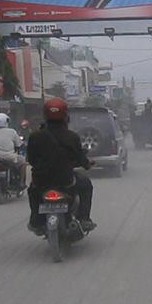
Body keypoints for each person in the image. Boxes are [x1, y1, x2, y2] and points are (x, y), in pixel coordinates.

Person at [25, 98, 96, 235]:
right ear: (65, 116)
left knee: (32, 191)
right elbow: (81, 159)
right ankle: (84, 218)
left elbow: (32, 160)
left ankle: (36, 221)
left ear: (45, 116)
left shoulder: (35, 136)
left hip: (41, 182)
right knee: (86, 184)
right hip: (65, 181)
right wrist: (88, 164)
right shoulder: (72, 137)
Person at [0, 113, 26, 189]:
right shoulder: (12, 131)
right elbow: (18, 144)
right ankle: (21, 183)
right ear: (6, 121)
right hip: (9, 157)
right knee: (23, 162)